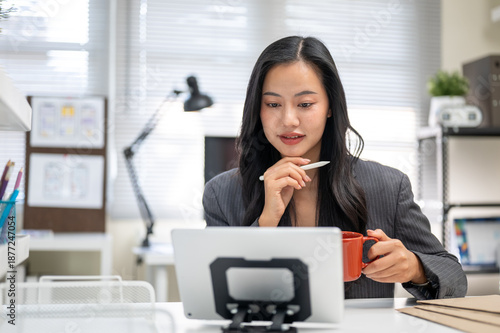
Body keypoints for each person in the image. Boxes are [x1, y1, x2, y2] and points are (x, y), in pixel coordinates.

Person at [203, 36, 467, 299]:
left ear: (330, 106)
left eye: (305, 104)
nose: (288, 120)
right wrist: (265, 223)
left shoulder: (388, 185)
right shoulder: (222, 193)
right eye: (273, 104)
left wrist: (415, 267)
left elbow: (454, 278)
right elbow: (213, 294)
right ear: (257, 109)